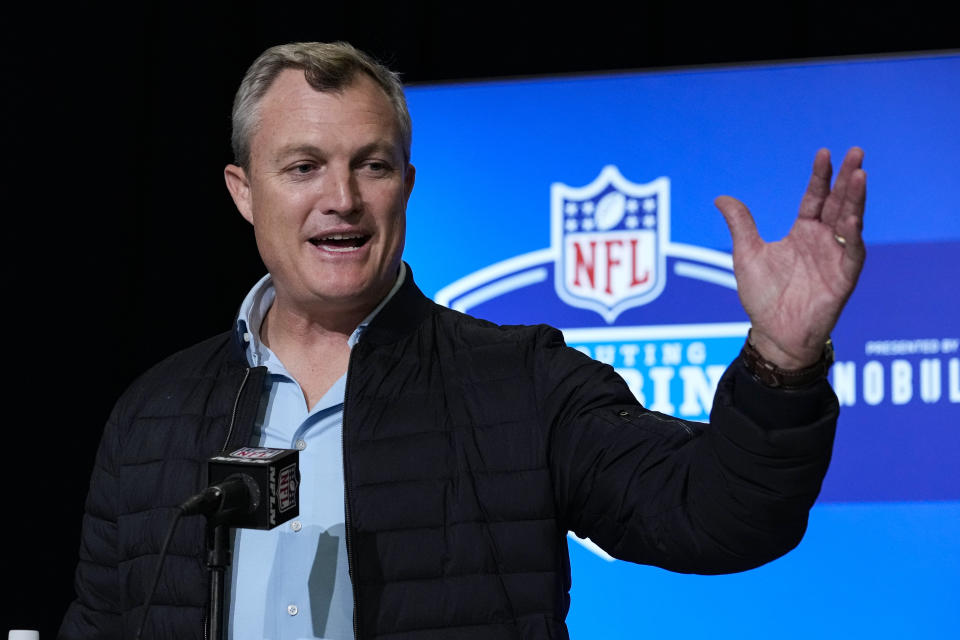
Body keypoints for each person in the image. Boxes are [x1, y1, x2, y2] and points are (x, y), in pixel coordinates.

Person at [59, 41, 866, 640]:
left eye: (371, 166)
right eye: (303, 167)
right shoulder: (152, 414)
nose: (340, 199)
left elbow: (717, 516)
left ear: (406, 184)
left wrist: (782, 360)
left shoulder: (522, 383)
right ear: (243, 192)